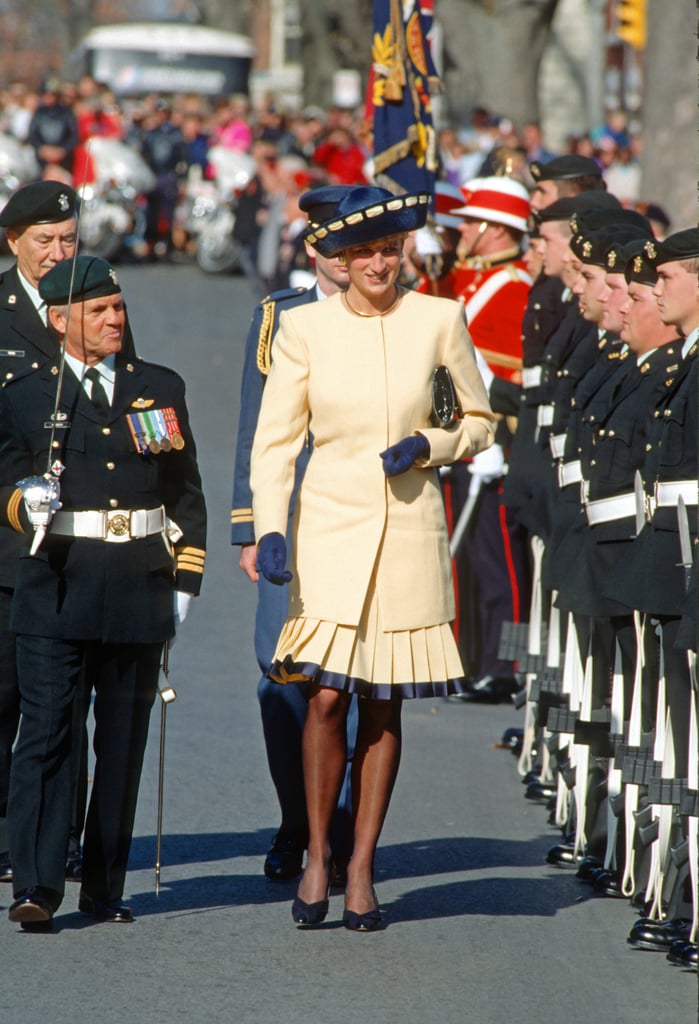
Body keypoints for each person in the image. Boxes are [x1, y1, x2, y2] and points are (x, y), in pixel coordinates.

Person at [250, 186, 495, 930]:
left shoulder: (439, 320)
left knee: (383, 703)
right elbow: (274, 443)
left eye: (389, 251)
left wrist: (432, 443)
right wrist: (268, 529)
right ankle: (317, 854)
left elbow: (480, 421)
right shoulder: (304, 330)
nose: (379, 264)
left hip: (410, 529)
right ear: (339, 260)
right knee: (324, 698)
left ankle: (361, 865)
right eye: (363, 253)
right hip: (327, 528)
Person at [0, 256, 206, 929]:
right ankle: (34, 885)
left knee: (120, 741)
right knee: (48, 735)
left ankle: (104, 885)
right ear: (60, 321)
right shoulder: (27, 391)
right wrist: (19, 504)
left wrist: (185, 580)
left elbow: (184, 492)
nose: (116, 319)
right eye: (99, 311)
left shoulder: (159, 387)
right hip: (56, 586)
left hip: (136, 586)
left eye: (118, 307)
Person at [231, 185, 356, 883]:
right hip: (293, 523)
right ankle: (298, 821)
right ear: (313, 250)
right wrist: (250, 528)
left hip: (365, 520)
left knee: (357, 686)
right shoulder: (280, 316)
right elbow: (256, 429)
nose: (350, 261)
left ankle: (340, 833)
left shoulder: (397, 317)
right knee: (281, 678)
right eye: (339, 247)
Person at [0, 181, 82, 886]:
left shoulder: (93, 298)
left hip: (78, 540)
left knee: (64, 703)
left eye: (68, 239)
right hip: (6, 536)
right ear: (14, 243)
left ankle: (61, 838)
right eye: (44, 241)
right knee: (2, 697)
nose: (58, 253)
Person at [446, 176, 533, 701]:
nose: (463, 231)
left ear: (496, 230)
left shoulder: (514, 289)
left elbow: (517, 381)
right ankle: (473, 660)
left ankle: (507, 664)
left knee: (502, 567)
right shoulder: (472, 281)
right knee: (471, 564)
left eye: (471, 223)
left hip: (497, 449)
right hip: (463, 441)